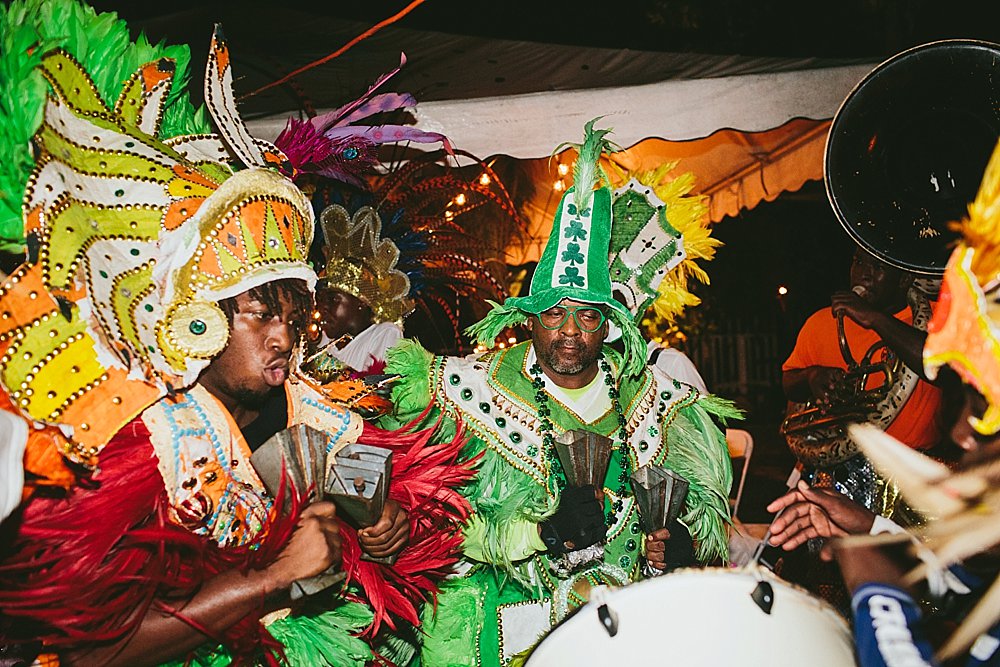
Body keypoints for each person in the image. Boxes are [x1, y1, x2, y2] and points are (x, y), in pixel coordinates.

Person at [0, 11, 470, 665]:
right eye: (258, 314)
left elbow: (358, 486)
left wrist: (381, 523)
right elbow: (95, 652)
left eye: (291, 313)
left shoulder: (314, 403)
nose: (282, 337)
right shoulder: (142, 442)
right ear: (193, 317)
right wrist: (272, 577)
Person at [382, 121, 739, 667]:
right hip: (500, 643)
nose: (570, 331)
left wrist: (679, 543)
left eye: (587, 315)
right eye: (553, 313)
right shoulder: (461, 394)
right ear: (528, 320)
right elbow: (430, 528)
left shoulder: (660, 405)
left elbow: (701, 518)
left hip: (626, 641)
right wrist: (539, 533)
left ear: (609, 324)